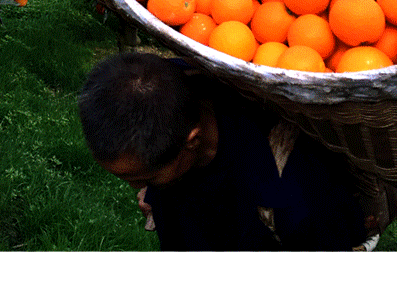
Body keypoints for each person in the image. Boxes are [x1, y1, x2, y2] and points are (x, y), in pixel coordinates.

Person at [77, 50, 372, 251]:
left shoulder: (293, 189)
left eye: (146, 179)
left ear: (193, 140)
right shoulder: (169, 89)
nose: (136, 191)